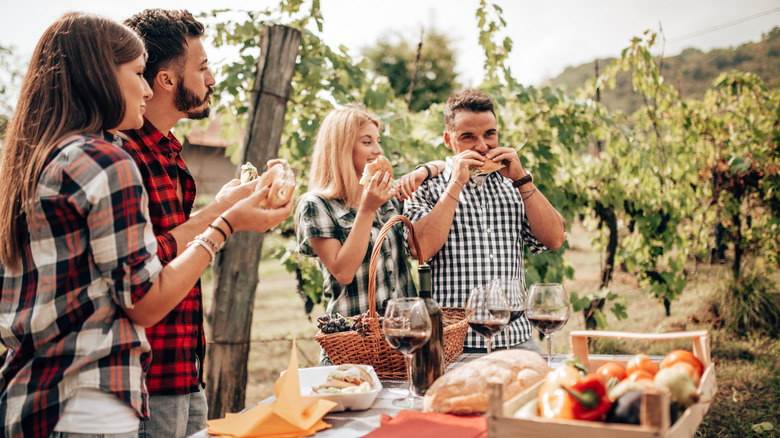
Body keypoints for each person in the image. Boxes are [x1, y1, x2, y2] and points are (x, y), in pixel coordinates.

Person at [0, 12, 291, 438]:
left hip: (35, 400)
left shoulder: (39, 158)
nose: (145, 85)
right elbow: (144, 300)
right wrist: (225, 225)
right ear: (99, 76)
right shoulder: (105, 160)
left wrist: (221, 211)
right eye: (138, 72)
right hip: (89, 408)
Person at [119, 9, 258, 437]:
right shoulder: (122, 157)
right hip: (144, 379)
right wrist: (224, 216)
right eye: (202, 68)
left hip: (184, 369)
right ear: (165, 80)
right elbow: (142, 263)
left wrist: (222, 206)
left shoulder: (168, 152)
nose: (212, 79)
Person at [405, 88, 566, 353]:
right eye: (468, 137)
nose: (482, 146)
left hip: (517, 340)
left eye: (490, 134)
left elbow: (555, 239)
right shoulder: (427, 187)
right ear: (449, 140)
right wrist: (456, 182)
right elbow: (419, 249)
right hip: (452, 346)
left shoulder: (515, 183)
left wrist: (522, 179)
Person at [295, 105, 443, 361]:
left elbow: (443, 165)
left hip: (401, 341)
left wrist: (421, 172)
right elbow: (343, 271)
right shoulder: (316, 204)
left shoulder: (386, 195)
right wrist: (367, 209)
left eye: (378, 141)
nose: (378, 150)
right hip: (353, 344)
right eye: (367, 142)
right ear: (341, 147)